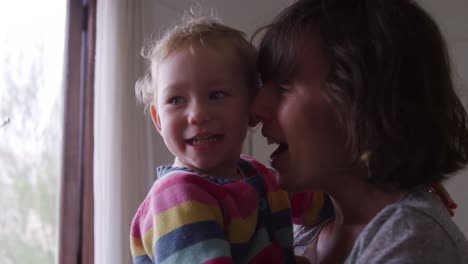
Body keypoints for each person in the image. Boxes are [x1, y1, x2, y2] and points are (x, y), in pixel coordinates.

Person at [250, 0, 468, 263]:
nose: (254, 110)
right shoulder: (309, 224)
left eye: (284, 88)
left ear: (368, 102)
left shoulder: (410, 242)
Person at [129, 12, 330, 264]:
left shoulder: (260, 176)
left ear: (252, 107)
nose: (197, 115)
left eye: (217, 95)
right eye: (177, 100)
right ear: (158, 120)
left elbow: (323, 206)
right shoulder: (177, 198)